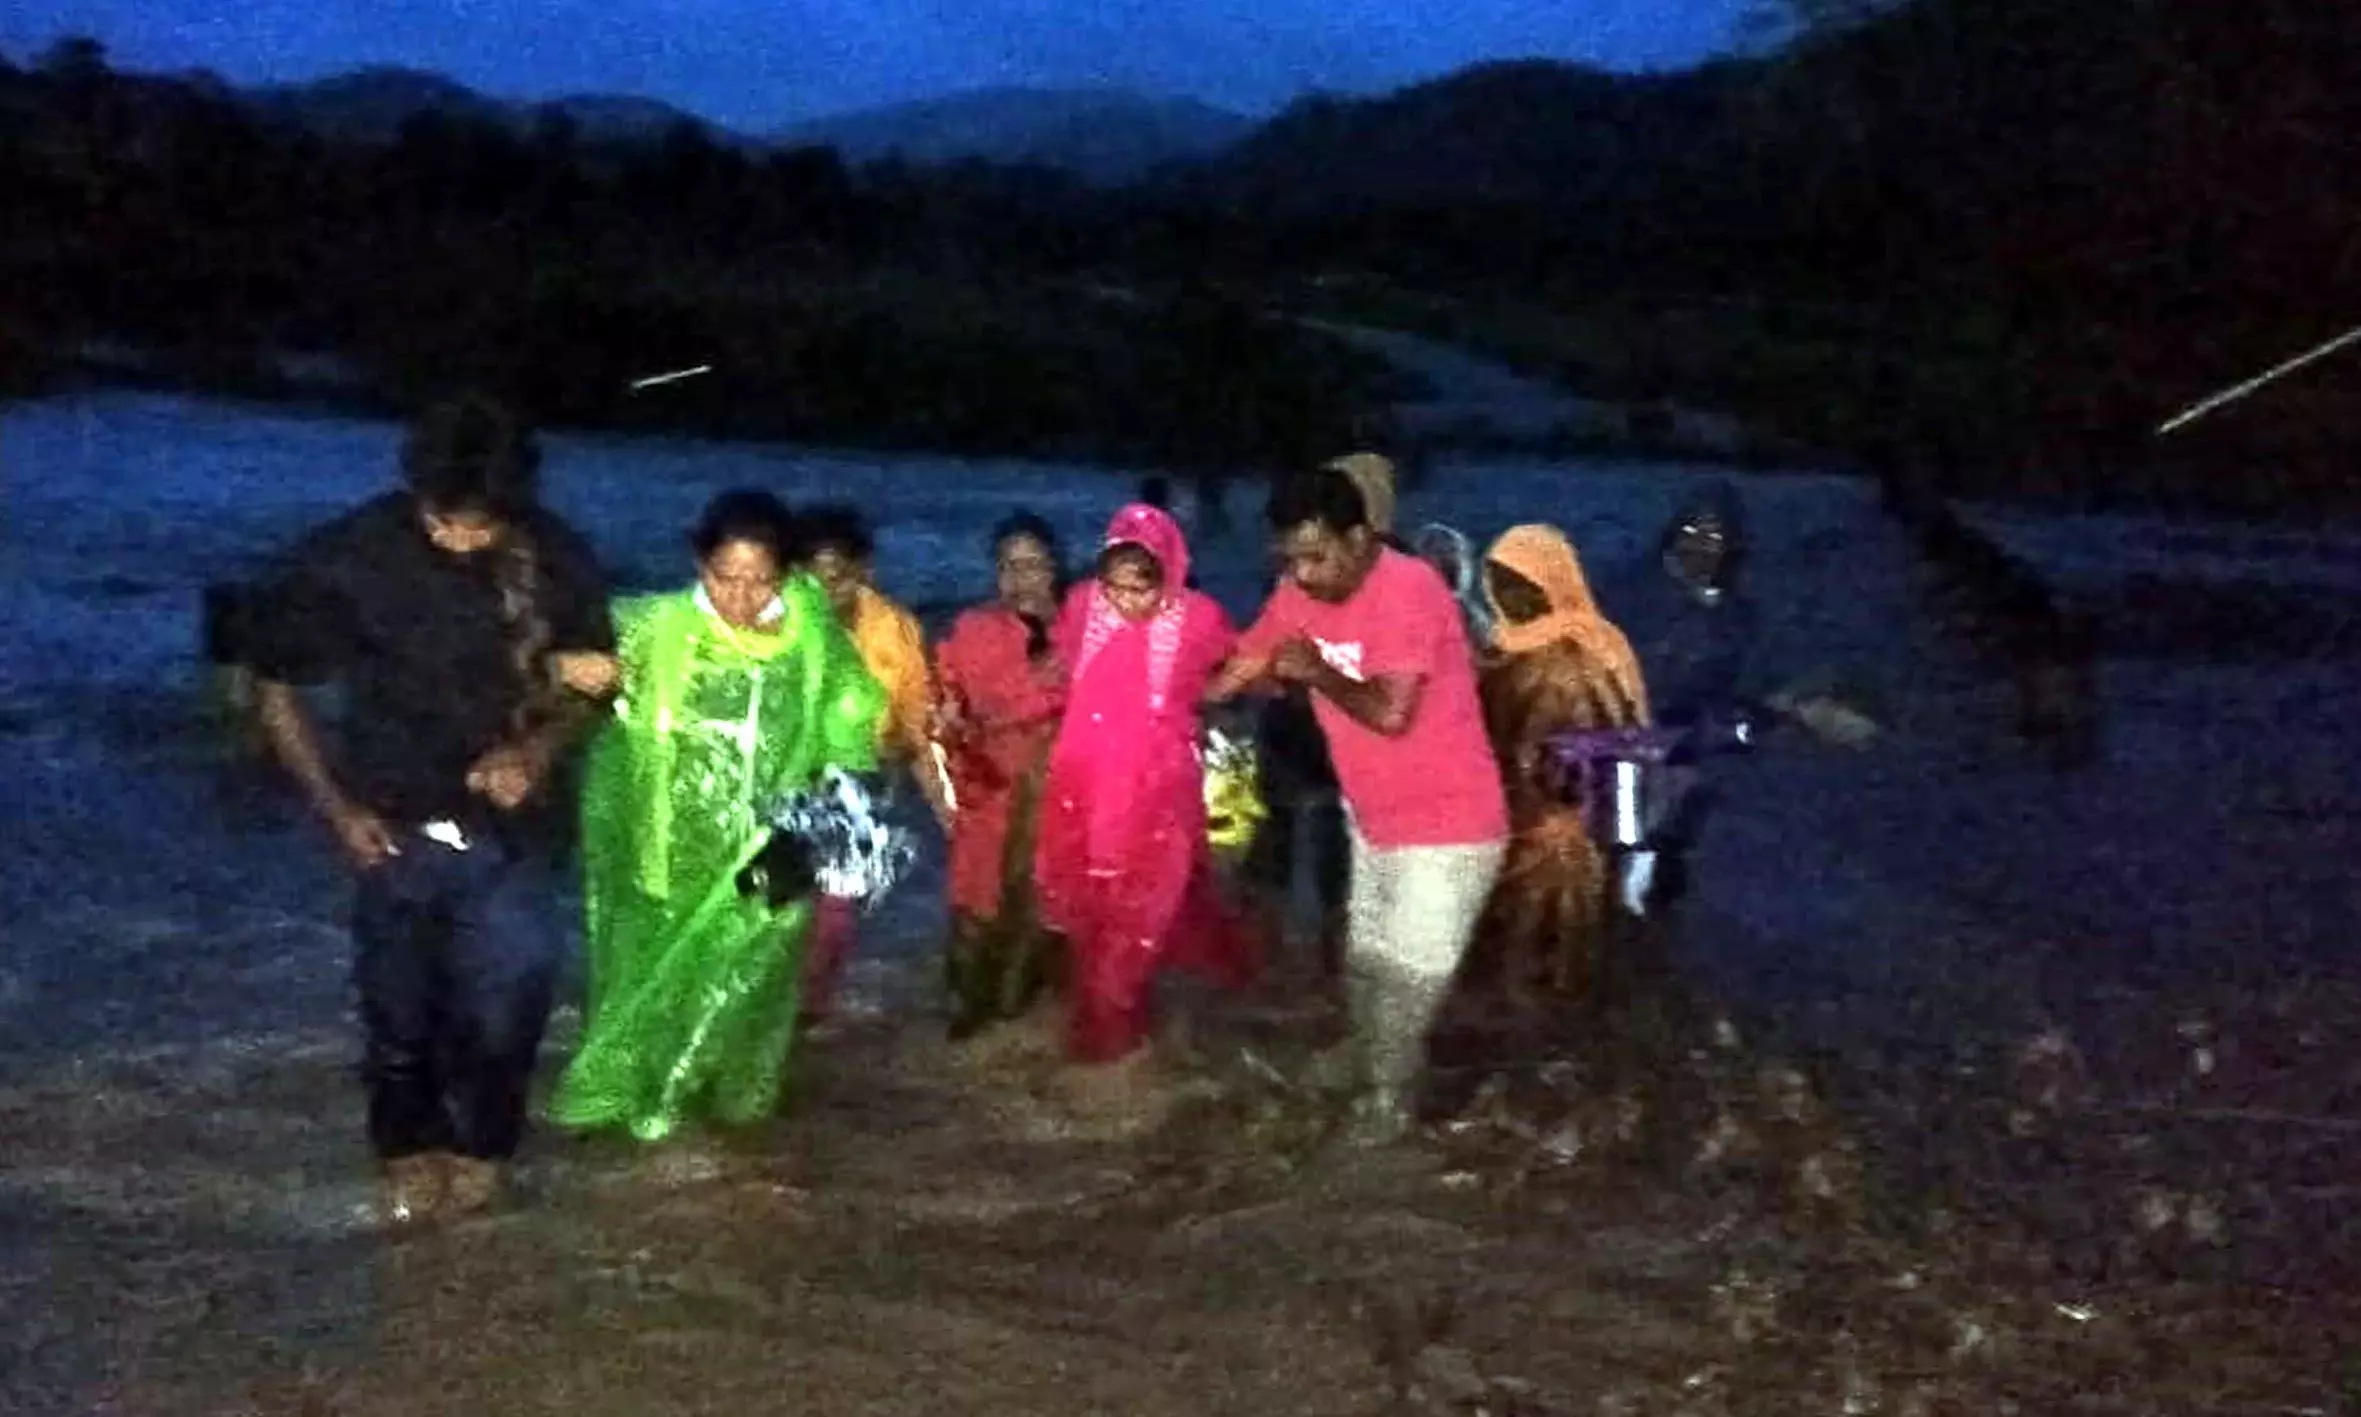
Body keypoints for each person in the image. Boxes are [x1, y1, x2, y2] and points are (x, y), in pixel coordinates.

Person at [245, 396, 615, 1224]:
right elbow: (274, 688)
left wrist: (537, 750)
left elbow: (596, 688)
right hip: (392, 828)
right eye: (446, 522)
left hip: (516, 836)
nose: (461, 539)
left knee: (512, 1001)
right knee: (399, 1013)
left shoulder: (557, 556)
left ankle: (483, 1148)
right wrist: (337, 810)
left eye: (480, 526)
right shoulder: (351, 558)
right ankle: (406, 1149)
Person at [549, 489, 884, 1146]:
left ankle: (695, 1115)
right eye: (724, 577)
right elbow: (543, 661)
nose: (740, 596)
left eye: (760, 580)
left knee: (743, 983)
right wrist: (561, 665)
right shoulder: (651, 626)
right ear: (698, 564)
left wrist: (827, 823)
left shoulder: (811, 633)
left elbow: (850, 717)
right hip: (669, 850)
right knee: (656, 980)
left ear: (786, 574)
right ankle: (643, 1105)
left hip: (775, 845)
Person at [1212, 464, 1508, 1145]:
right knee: (1366, 961)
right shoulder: (1297, 585)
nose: (1303, 574)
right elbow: (1246, 658)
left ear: (1361, 536)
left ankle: (1384, 1117)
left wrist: (1316, 670)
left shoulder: (1409, 589)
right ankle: (1366, 1059)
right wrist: (1178, 691)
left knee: (1407, 985)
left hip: (1450, 829)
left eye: (1316, 556)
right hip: (1372, 816)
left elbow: (1390, 710)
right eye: (1289, 558)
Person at [1035, 504, 1249, 1101]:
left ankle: (1113, 1055)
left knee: (1141, 915)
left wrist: (1196, 706)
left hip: (1158, 795)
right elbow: (1060, 665)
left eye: (1141, 588)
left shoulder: (1199, 618)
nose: (1126, 601)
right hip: (1083, 789)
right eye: (1115, 587)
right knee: (1088, 916)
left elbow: (1242, 668)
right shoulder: (1083, 606)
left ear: (1170, 574)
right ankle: (1116, 1037)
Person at [1471, 525, 1650, 1017]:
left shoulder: (1581, 657)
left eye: (1521, 584)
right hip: (1501, 833)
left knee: (1548, 969)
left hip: (1561, 847)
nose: (1509, 596)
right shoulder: (1504, 651)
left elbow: (1622, 751)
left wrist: (1632, 846)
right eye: (1500, 582)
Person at [1242, 451, 1397, 987]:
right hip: (1301, 720)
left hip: (1333, 725)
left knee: (1325, 842)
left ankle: (1316, 958)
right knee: (1298, 835)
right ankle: (1297, 954)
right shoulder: (1317, 559)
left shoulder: (1389, 572)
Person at [794, 503, 949, 1023]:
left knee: (836, 918)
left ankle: (807, 1017)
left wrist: (948, 810)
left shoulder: (896, 630)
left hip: (861, 794)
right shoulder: (778, 623)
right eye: (810, 578)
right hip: (783, 788)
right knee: (772, 912)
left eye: (836, 578)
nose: (824, 591)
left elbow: (917, 726)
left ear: (864, 572)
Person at [932, 511, 1069, 1046]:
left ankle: (1019, 1005)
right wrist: (952, 727)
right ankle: (967, 1005)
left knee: (1040, 902)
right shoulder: (974, 629)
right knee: (975, 898)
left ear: (1055, 568)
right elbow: (948, 702)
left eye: (1034, 565)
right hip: (988, 783)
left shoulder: (1082, 631)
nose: (1021, 579)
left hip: (1057, 790)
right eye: (1009, 566)